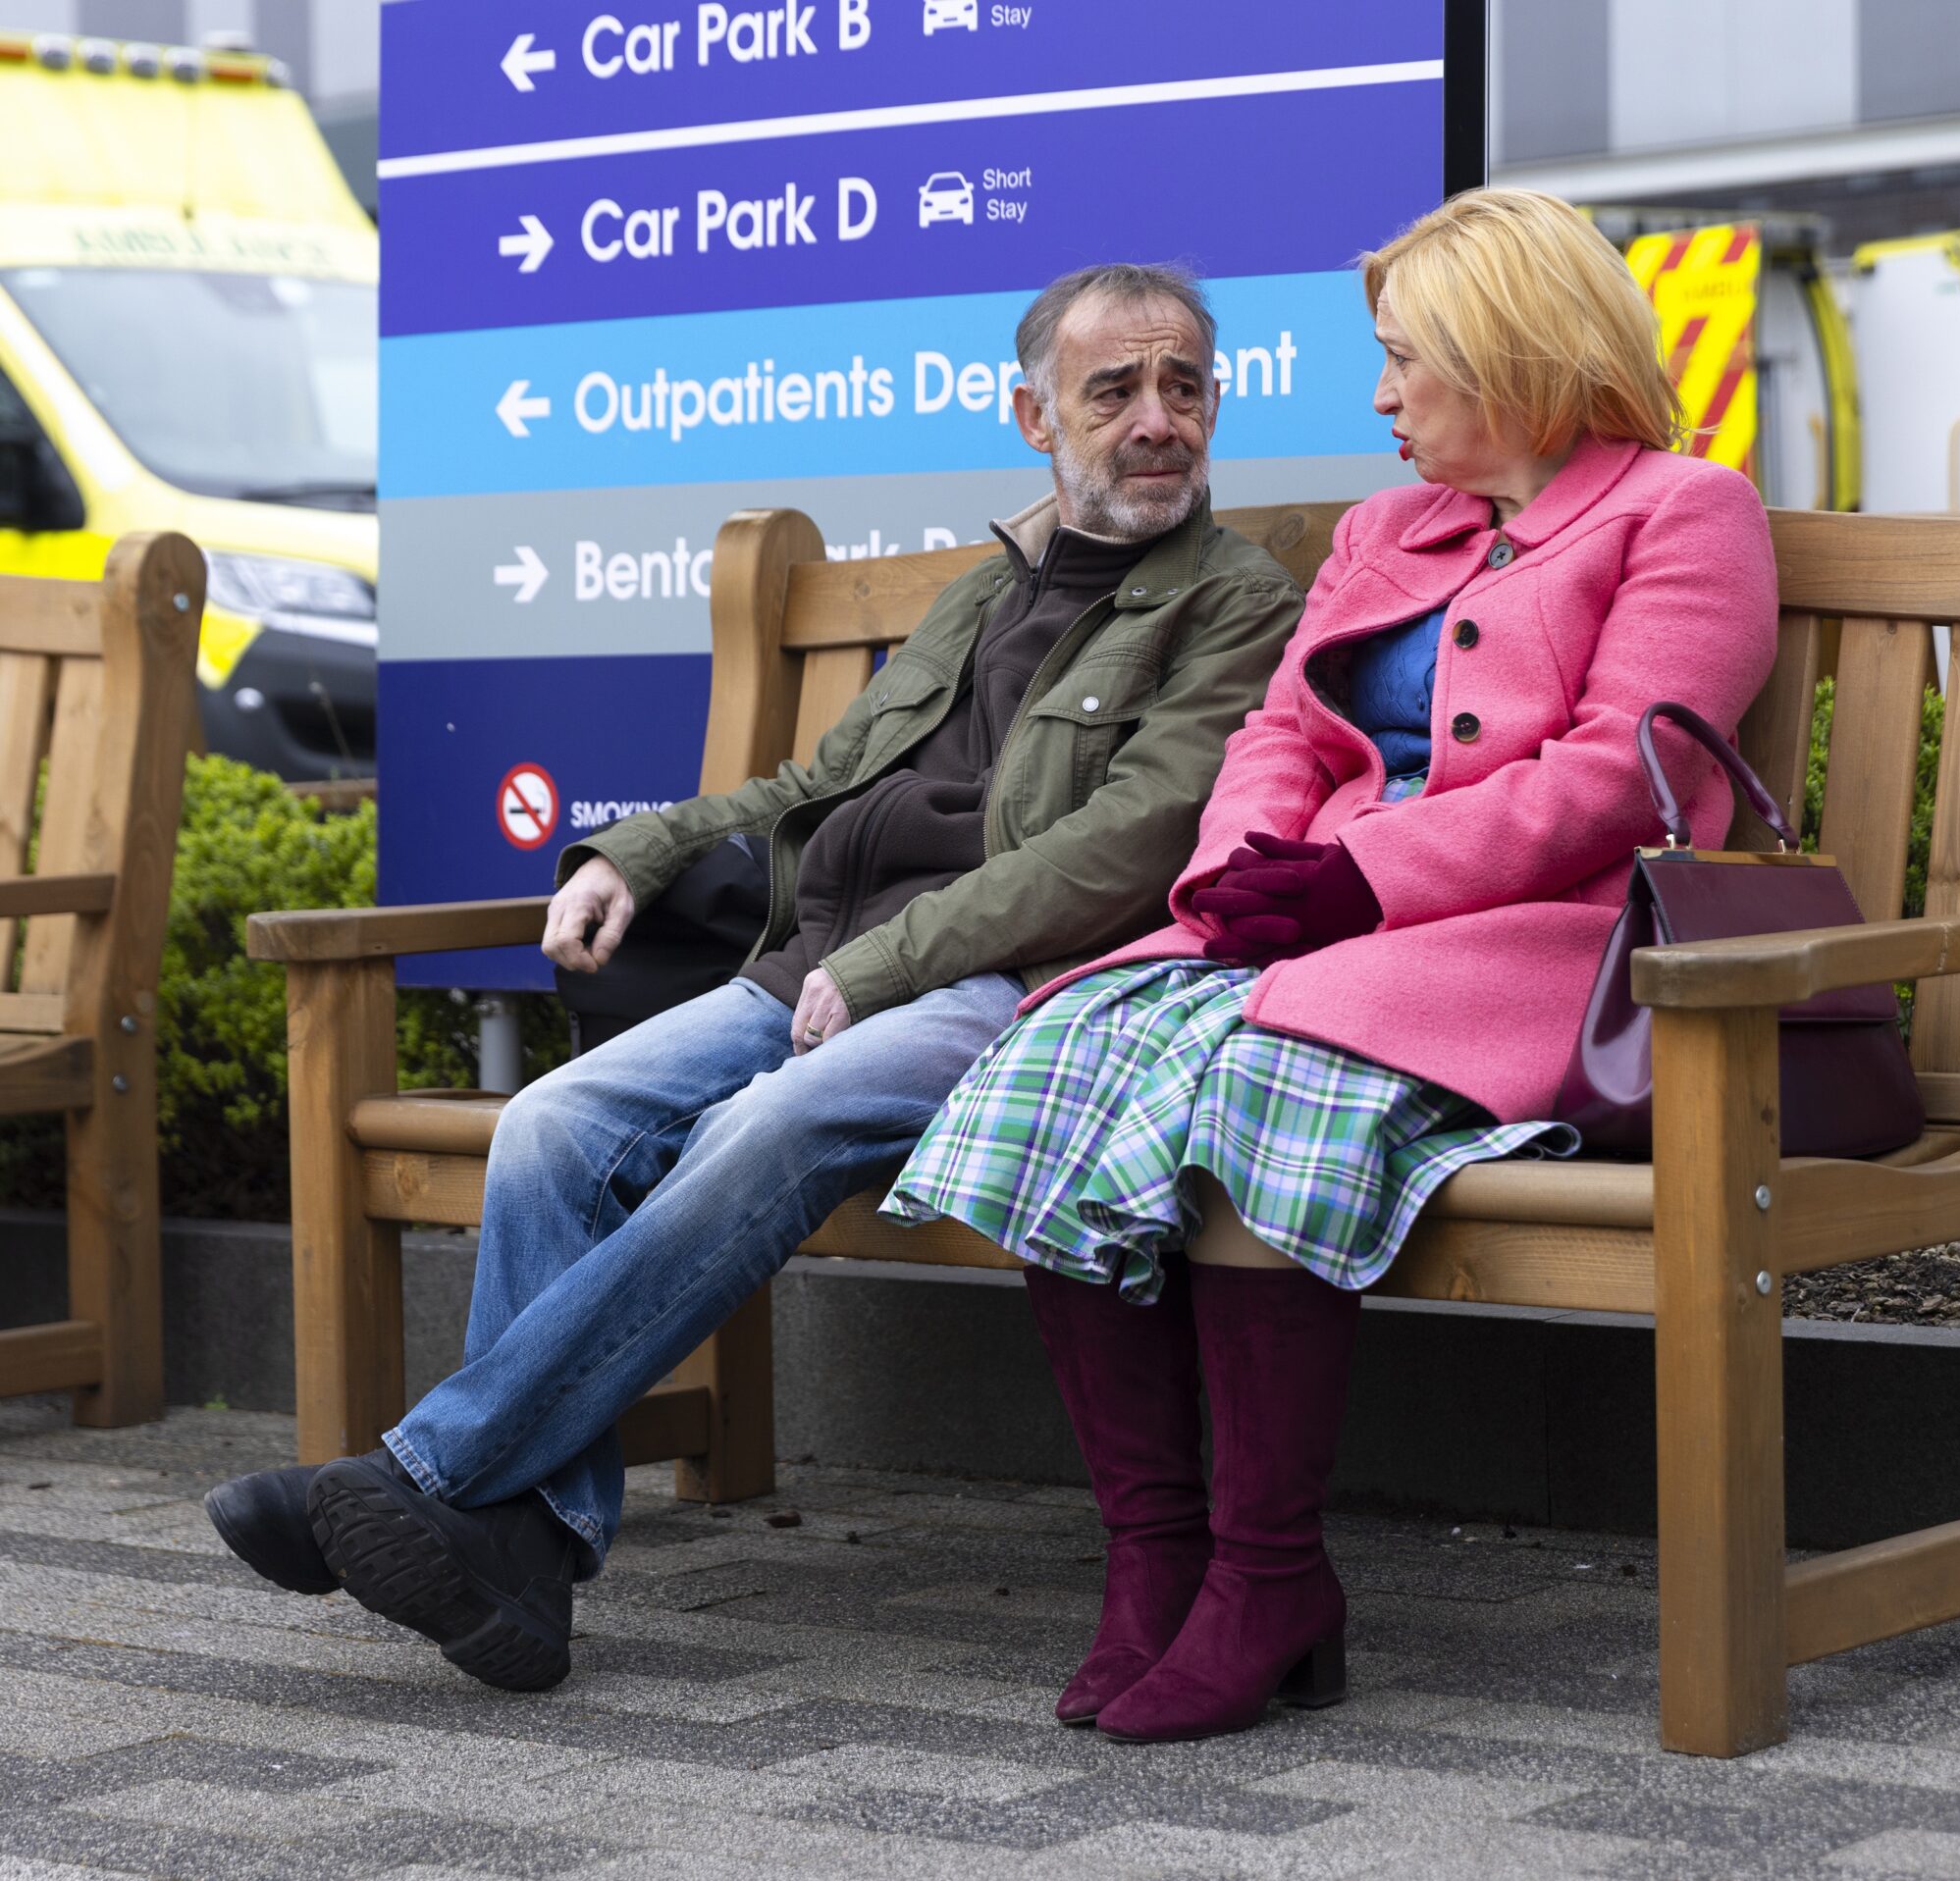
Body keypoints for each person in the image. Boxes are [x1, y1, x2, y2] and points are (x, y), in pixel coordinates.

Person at [202, 262, 1308, 1693]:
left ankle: (435, 1472)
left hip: (1011, 992)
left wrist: (892, 954)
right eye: (1117, 390)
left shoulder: (1233, 602)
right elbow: (815, 781)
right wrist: (636, 853)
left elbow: (1130, 843)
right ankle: (524, 1557)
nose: (1160, 419)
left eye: (1186, 387)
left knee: (762, 1127)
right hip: (813, 970)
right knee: (553, 1125)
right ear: (1034, 412)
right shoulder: (985, 593)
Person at [884, 188, 1779, 1744]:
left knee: (1261, 1076)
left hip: (1529, 954)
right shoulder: (1388, 528)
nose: (1380, 397)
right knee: (1056, 1054)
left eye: (1404, 360)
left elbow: (1613, 781)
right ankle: (1154, 1563)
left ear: (1513, 355)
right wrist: (1243, 871)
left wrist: (1358, 877)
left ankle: (1268, 1573)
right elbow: (1281, 733)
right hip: (1322, 929)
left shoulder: (1683, 513)